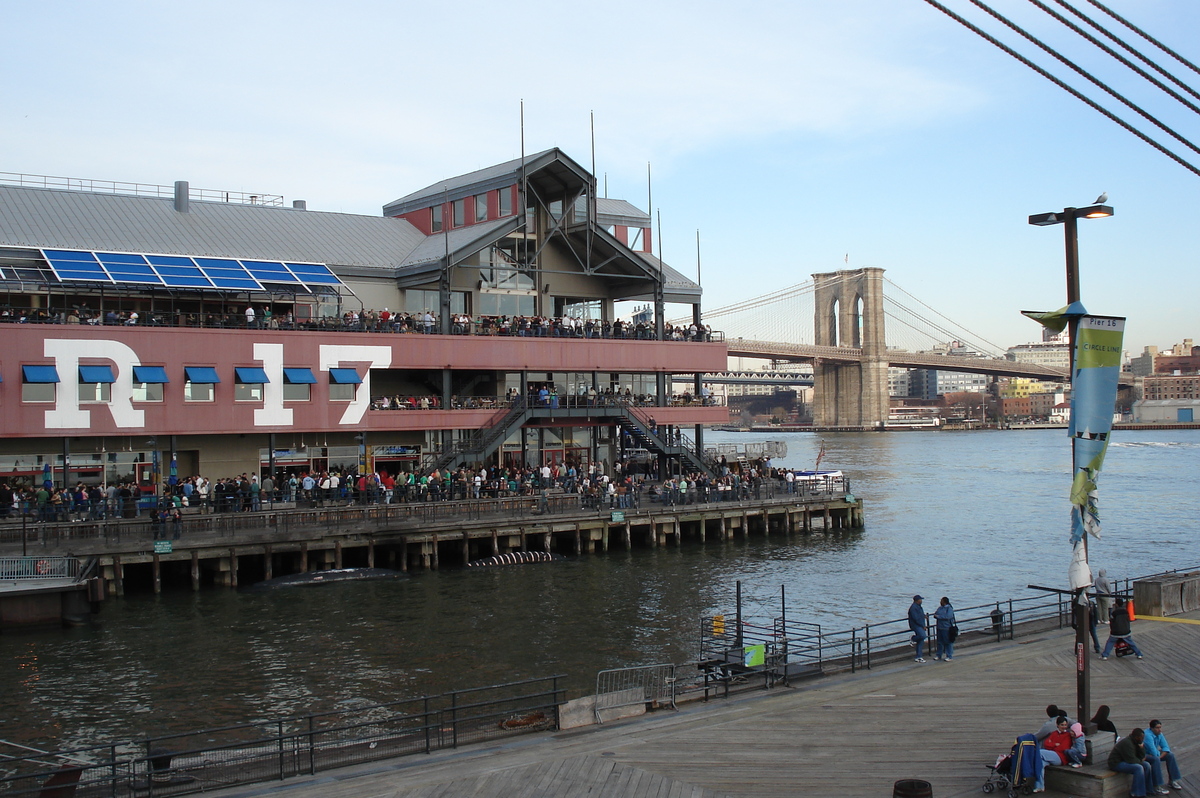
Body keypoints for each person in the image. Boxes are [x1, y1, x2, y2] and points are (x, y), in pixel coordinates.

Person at [1108, 727, 1157, 797]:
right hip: (1116, 763)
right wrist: (1140, 761)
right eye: (1141, 737)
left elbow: (1141, 756)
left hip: (1125, 760)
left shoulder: (1137, 742)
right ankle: (1136, 793)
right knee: (1138, 768)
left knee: (1146, 765)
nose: (1142, 739)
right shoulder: (1127, 743)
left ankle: (1148, 789)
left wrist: (1141, 748)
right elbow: (1131, 760)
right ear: (1136, 737)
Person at [1144, 720, 1183, 791]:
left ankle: (1172, 780)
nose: (1159, 730)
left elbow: (1166, 747)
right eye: (1157, 728)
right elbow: (1153, 751)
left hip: (1154, 754)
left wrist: (1160, 756)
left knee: (1170, 755)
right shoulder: (1147, 736)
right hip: (1144, 755)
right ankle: (1157, 786)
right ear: (1151, 728)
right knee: (1156, 759)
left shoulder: (1159, 734)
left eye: (1160, 727)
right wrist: (1159, 756)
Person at [933, 596, 956, 661]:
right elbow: (935, 614)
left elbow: (948, 616)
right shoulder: (940, 608)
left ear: (944, 601)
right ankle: (938, 655)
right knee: (939, 642)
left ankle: (949, 656)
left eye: (941, 601)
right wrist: (938, 616)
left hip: (946, 627)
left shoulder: (949, 608)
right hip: (939, 627)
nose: (940, 602)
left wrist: (939, 616)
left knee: (948, 642)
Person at [908, 595, 927, 663]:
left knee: (921, 640)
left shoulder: (919, 607)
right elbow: (916, 618)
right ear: (917, 600)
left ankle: (919, 656)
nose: (921, 601)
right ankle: (913, 638)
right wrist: (922, 625)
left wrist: (924, 616)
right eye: (920, 599)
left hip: (920, 625)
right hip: (916, 625)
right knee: (923, 636)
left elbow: (920, 615)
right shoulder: (913, 608)